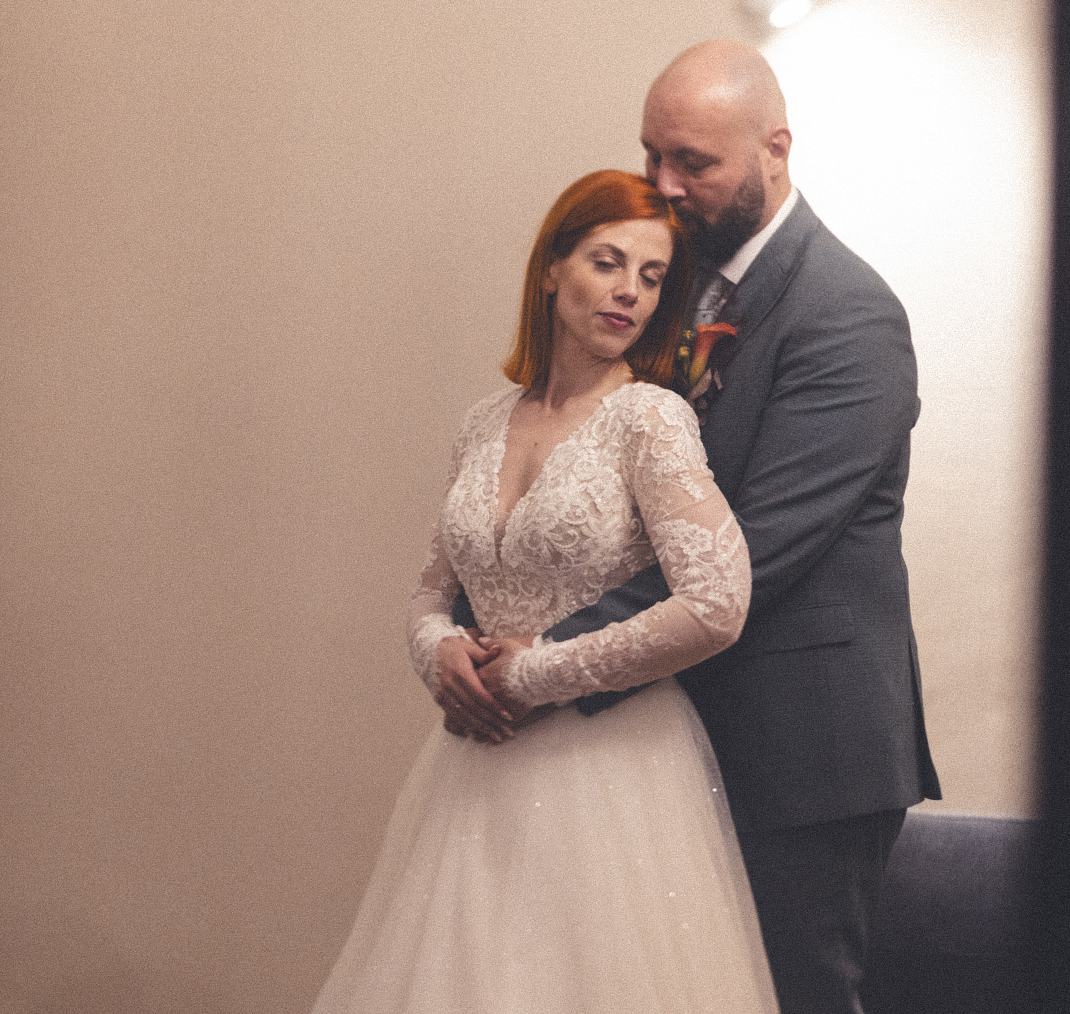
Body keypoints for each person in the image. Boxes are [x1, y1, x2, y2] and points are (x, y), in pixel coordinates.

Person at [442, 41, 942, 1014]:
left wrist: (540, 661)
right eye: (651, 154)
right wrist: (474, 630)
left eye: (693, 163)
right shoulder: (670, 285)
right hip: (651, 745)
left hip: (799, 754)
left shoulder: (848, 315)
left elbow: (757, 550)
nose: (663, 186)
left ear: (775, 150)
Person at [310, 170, 778, 1014]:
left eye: (651, 277)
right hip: (474, 772)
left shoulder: (649, 418)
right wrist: (439, 653)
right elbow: (431, 592)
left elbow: (717, 603)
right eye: (608, 262)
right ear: (552, 267)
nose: (630, 292)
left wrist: (535, 674)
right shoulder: (484, 421)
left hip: (608, 772)